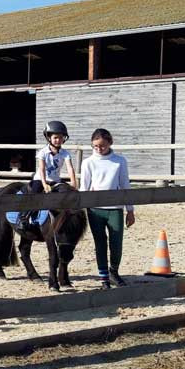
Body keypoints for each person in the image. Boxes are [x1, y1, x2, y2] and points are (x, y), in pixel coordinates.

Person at [80, 128, 135, 290]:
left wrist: (130, 210)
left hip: (115, 208)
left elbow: (125, 184)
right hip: (95, 209)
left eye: (102, 146)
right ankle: (103, 276)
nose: (98, 149)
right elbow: (84, 186)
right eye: (95, 146)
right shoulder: (88, 162)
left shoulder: (119, 161)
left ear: (110, 143)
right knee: (100, 243)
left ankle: (114, 272)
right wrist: (83, 206)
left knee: (116, 242)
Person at [18, 120, 77, 231]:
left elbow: (70, 168)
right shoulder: (43, 152)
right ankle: (24, 218)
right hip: (41, 179)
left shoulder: (65, 153)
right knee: (34, 194)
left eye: (61, 137)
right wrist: (44, 184)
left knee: (69, 193)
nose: (58, 140)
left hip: (55, 180)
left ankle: (67, 218)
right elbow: (42, 168)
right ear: (49, 138)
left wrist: (73, 183)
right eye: (55, 137)